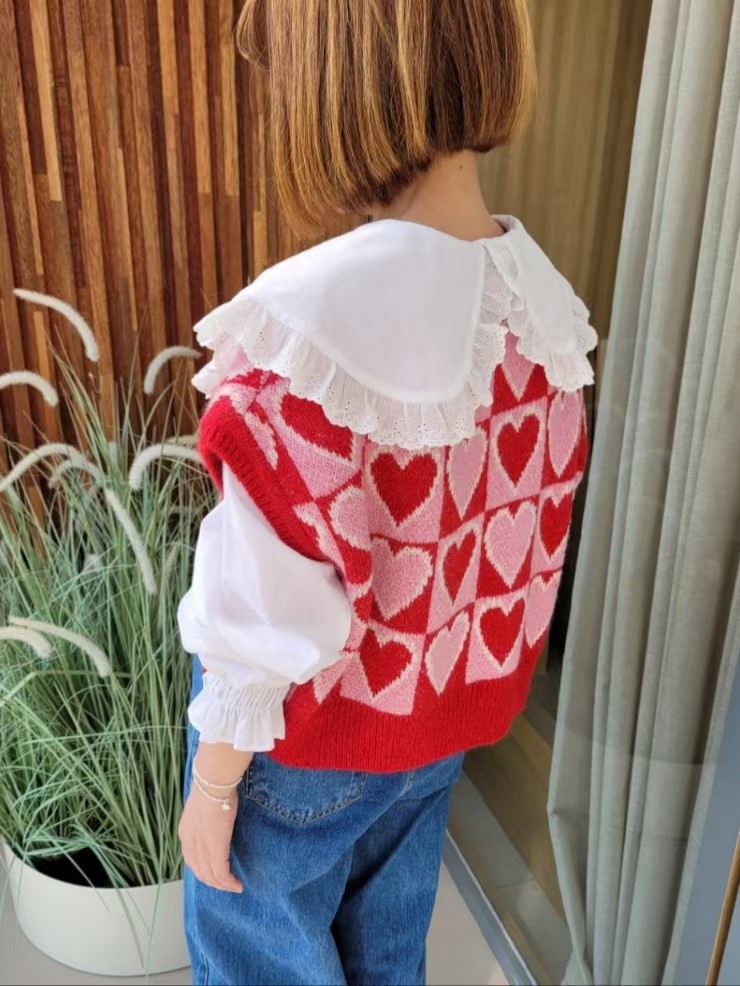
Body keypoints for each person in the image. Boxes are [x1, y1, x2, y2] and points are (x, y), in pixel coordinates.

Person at [176, 1, 597, 983]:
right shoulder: (544, 313)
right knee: (388, 954)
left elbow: (261, 612)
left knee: (260, 958)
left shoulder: (307, 332)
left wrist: (213, 782)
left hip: (301, 749)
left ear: (331, 82)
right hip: (433, 740)